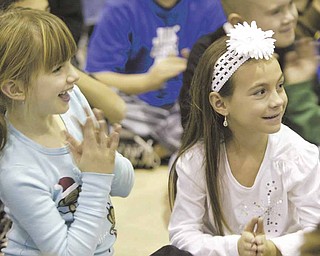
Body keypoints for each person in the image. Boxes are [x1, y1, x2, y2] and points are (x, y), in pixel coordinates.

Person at [168, 22, 320, 255]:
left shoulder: (299, 155)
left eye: (279, 86)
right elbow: (182, 234)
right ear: (220, 103)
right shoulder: (196, 160)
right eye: (260, 91)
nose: (278, 101)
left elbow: (315, 234)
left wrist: (273, 248)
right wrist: (235, 247)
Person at [0, 8, 134, 256]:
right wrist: (96, 176)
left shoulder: (70, 104)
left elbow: (125, 185)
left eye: (71, 62)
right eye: (56, 69)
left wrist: (106, 161)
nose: (74, 76)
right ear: (15, 89)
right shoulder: (16, 171)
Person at [85, 0, 227, 168]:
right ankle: (155, 149)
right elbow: (96, 76)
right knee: (102, 116)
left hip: (189, 102)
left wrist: (199, 65)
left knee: (218, 116)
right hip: (136, 105)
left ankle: (150, 150)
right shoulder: (120, 7)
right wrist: (147, 81)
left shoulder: (209, 6)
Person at [179, 0, 320, 147]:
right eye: (276, 11)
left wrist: (298, 89)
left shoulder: (294, 49)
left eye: (291, 4)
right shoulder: (208, 55)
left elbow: (312, 134)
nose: (290, 16)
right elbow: (193, 126)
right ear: (238, 22)